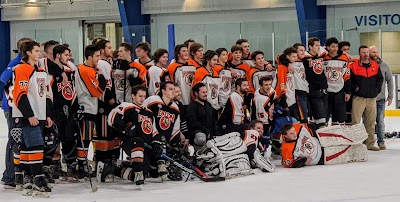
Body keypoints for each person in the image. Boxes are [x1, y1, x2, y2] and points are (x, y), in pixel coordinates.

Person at [11, 41, 53, 197]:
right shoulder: (22, 69)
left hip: (39, 114)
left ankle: (29, 178)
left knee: (30, 147)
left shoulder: (39, 70)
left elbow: (45, 95)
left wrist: (48, 114)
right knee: (35, 146)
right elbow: (19, 96)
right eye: (36, 51)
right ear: (28, 53)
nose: (39, 53)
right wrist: (29, 115)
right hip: (29, 115)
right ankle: (38, 179)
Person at [105, 86, 158, 185]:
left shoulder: (149, 112)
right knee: (138, 141)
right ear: (133, 96)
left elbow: (153, 131)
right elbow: (112, 117)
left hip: (145, 146)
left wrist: (156, 142)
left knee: (144, 173)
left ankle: (112, 169)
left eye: (144, 96)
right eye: (140, 96)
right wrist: (124, 128)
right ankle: (137, 171)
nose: (142, 99)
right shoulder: (127, 106)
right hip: (130, 142)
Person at [1, 37, 33, 188]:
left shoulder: (29, 64)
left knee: (21, 141)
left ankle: (20, 173)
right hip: (12, 108)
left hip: (20, 108)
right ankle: (9, 176)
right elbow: (3, 78)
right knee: (14, 141)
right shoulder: (16, 62)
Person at [74, 45, 107, 178]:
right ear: (89, 57)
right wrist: (101, 77)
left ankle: (82, 163)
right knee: (85, 138)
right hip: (85, 108)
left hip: (90, 108)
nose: (99, 59)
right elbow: (97, 91)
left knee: (87, 138)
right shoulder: (85, 70)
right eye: (97, 56)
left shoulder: (90, 69)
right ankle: (81, 165)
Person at [280, 122, 368, 168]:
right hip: (321, 158)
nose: (294, 134)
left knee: (343, 136)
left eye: (294, 132)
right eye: (291, 134)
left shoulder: (297, 127)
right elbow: (288, 164)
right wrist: (301, 161)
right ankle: (358, 153)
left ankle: (357, 134)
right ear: (285, 136)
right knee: (347, 153)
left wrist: (315, 129)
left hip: (321, 140)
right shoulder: (286, 149)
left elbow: (310, 127)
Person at [142, 81, 182, 181]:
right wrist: (155, 136)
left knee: (154, 173)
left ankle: (164, 164)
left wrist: (174, 143)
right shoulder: (152, 101)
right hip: (149, 139)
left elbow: (176, 128)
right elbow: (143, 117)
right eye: (170, 89)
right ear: (163, 91)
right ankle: (158, 163)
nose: (173, 92)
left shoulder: (175, 108)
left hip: (164, 142)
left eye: (174, 89)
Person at [350, 45, 383, 151]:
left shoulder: (375, 66)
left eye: (367, 52)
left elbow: (380, 80)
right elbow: (350, 81)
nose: (366, 54)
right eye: (363, 52)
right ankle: (355, 143)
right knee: (355, 122)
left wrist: (376, 90)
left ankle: (370, 143)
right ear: (359, 53)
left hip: (372, 99)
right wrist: (356, 89)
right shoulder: (353, 66)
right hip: (359, 98)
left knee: (371, 122)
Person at [369, 45, 393, 150]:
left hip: (380, 99)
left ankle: (381, 141)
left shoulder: (384, 66)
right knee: (368, 122)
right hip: (368, 99)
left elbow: (390, 81)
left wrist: (390, 96)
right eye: (373, 52)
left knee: (380, 121)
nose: (375, 54)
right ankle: (368, 142)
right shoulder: (365, 65)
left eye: (376, 52)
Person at [323, 37, 351, 125]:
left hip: (339, 91)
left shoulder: (344, 58)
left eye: (336, 46)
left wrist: (347, 92)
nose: (335, 49)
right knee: (325, 117)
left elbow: (346, 76)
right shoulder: (323, 58)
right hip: (326, 91)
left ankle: (338, 137)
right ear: (327, 47)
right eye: (332, 46)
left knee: (340, 117)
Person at [302, 37, 328, 128]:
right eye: (316, 45)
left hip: (324, 90)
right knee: (320, 119)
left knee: (325, 118)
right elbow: (283, 56)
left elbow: (336, 50)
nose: (318, 47)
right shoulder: (304, 58)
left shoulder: (321, 55)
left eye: (319, 45)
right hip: (313, 90)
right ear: (310, 46)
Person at [186, 82, 219, 151]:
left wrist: (216, 135)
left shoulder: (208, 105)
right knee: (200, 137)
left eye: (206, 92)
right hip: (199, 137)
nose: (206, 94)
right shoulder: (192, 107)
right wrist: (206, 132)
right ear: (196, 93)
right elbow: (193, 124)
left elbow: (213, 122)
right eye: (203, 92)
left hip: (210, 136)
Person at [290, 43, 309, 123]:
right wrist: (288, 63)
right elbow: (281, 56)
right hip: (298, 91)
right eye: (301, 50)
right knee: (302, 117)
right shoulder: (290, 62)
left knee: (306, 115)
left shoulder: (304, 61)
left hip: (305, 91)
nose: (303, 52)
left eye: (304, 50)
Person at [275, 47, 297, 115]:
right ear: (287, 56)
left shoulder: (291, 66)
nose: (295, 59)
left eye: (296, 57)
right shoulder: (282, 68)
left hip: (292, 100)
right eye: (293, 57)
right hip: (284, 100)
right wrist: (283, 102)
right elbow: (281, 84)